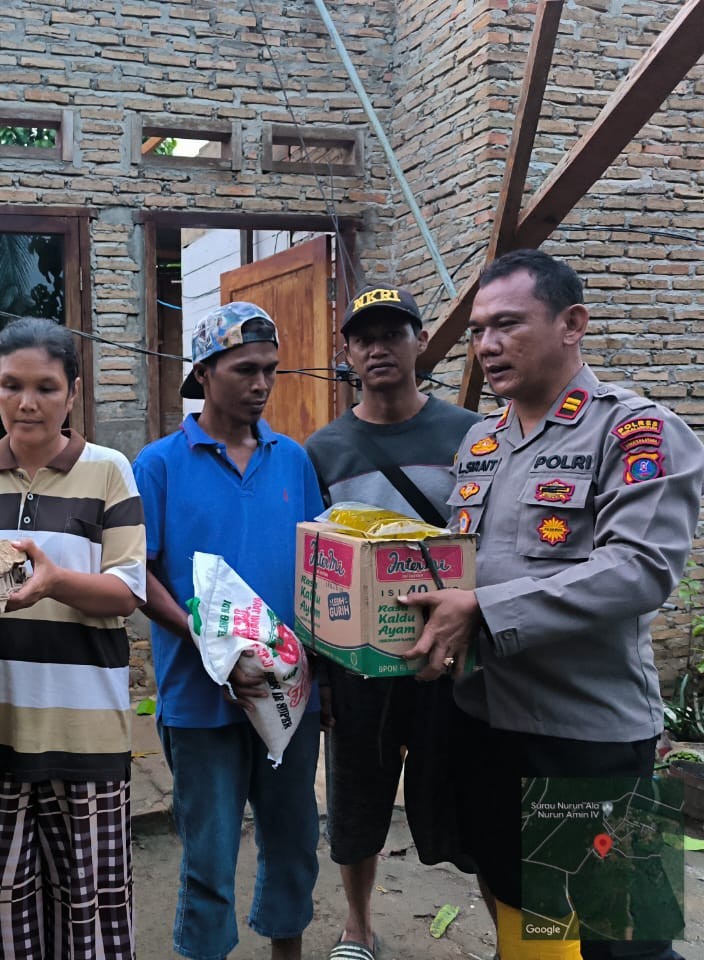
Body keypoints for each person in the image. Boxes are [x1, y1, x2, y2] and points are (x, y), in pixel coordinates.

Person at [400, 249, 704, 960]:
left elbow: (639, 569)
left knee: (620, 939)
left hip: (583, 738)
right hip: (484, 720)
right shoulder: (482, 441)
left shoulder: (635, 432)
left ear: (572, 324)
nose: (487, 346)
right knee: (527, 912)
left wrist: (484, 609)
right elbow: (462, 561)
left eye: (508, 324)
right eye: (478, 330)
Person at [0, 316, 146, 960]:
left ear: (73, 392)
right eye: (12, 386)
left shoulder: (109, 472)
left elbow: (129, 592)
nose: (28, 403)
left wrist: (54, 582)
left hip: (86, 727)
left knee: (90, 908)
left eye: (47, 387)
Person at [133, 302, 323, 960]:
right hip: (199, 697)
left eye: (271, 370)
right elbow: (138, 572)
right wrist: (203, 636)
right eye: (246, 369)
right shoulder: (159, 464)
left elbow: (317, 565)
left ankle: (286, 954)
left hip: (288, 695)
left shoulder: (291, 460)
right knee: (209, 858)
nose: (262, 384)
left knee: (295, 842)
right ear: (204, 373)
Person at [304, 286, 480, 960]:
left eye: (393, 333)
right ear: (346, 353)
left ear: (419, 343)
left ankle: (507, 925)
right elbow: (317, 571)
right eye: (364, 337)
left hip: (450, 653)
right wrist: (319, 673)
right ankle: (358, 924)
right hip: (359, 664)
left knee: (463, 795)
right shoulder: (323, 450)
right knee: (355, 800)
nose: (378, 347)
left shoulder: (470, 434)